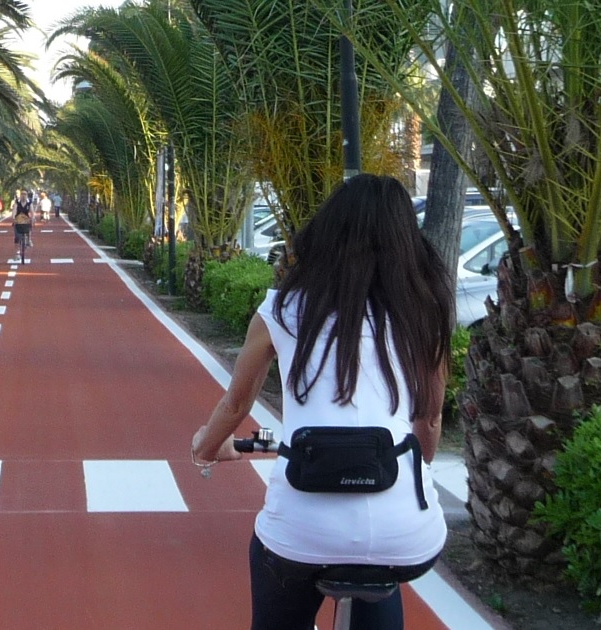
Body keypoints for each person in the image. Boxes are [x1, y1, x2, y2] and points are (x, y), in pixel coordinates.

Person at [190, 174, 451, 630]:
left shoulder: (282, 309)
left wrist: (207, 448)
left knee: (277, 569)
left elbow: (235, 405)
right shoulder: (423, 311)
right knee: (381, 569)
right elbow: (428, 420)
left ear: (327, 234)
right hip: (407, 535)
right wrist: (415, 474)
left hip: (300, 532)